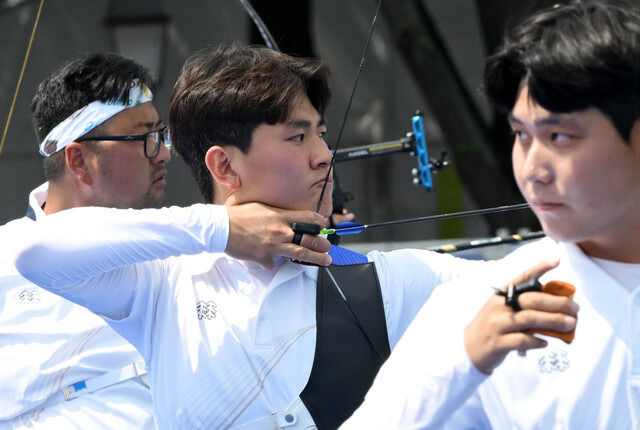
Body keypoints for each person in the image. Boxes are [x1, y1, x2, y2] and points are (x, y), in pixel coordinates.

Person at [12, 44, 500, 429]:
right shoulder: (162, 284)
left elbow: (530, 285)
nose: (325, 155)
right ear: (224, 165)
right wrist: (224, 228)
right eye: (297, 137)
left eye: (321, 134)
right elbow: (34, 251)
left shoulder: (387, 281)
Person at [341, 0, 639, 428]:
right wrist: (464, 360)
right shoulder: (478, 307)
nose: (532, 169)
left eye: (559, 136)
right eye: (521, 135)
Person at [1, 51, 331, 428]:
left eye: (162, 136)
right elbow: (38, 250)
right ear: (78, 160)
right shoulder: (8, 255)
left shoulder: (187, 253)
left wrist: (307, 229)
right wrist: (221, 225)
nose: (162, 154)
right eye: (145, 139)